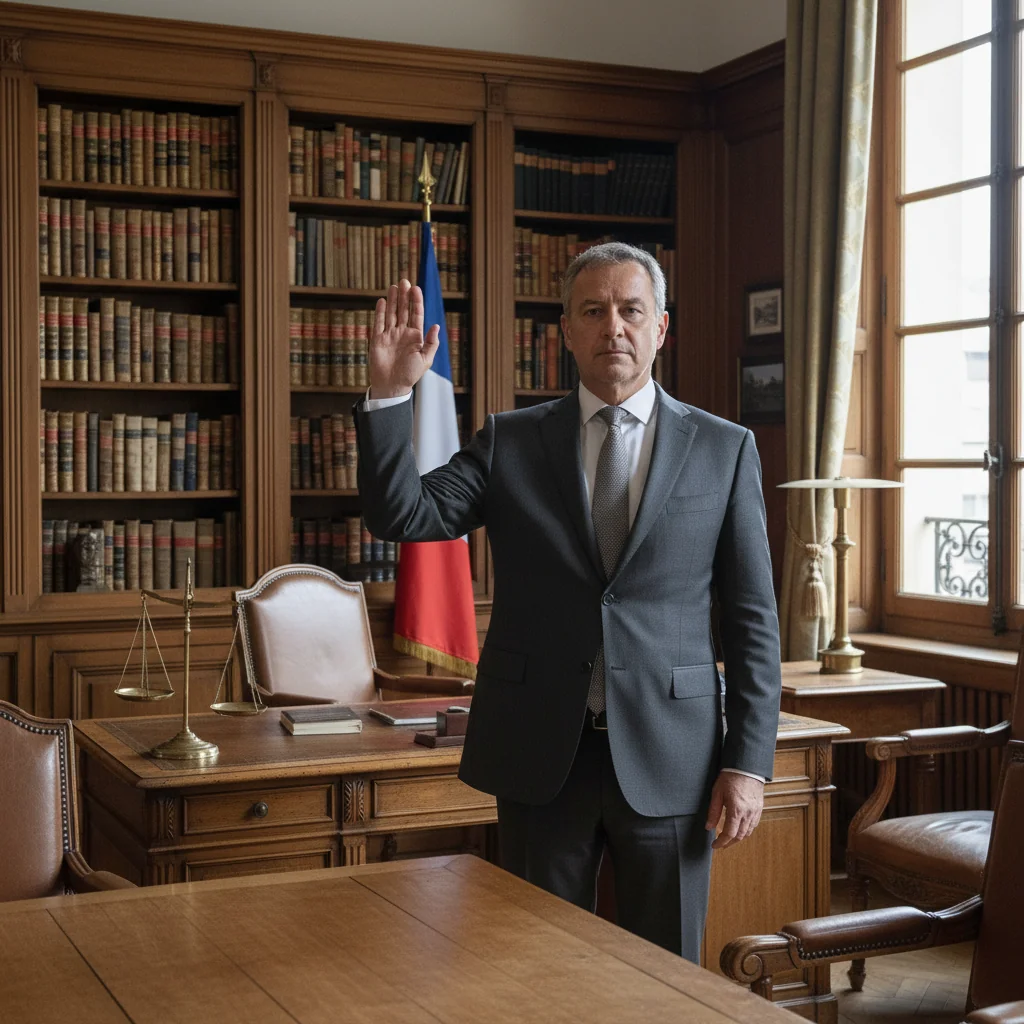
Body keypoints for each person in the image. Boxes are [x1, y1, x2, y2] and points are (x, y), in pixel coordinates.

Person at [354, 241, 782, 962]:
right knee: (536, 968)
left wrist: (749, 762)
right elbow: (406, 515)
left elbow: (751, 621)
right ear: (566, 330)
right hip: (539, 753)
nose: (613, 326)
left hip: (674, 756)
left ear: (659, 328)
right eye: (594, 310)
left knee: (665, 975)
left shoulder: (724, 448)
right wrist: (392, 395)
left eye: (630, 310)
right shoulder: (511, 441)